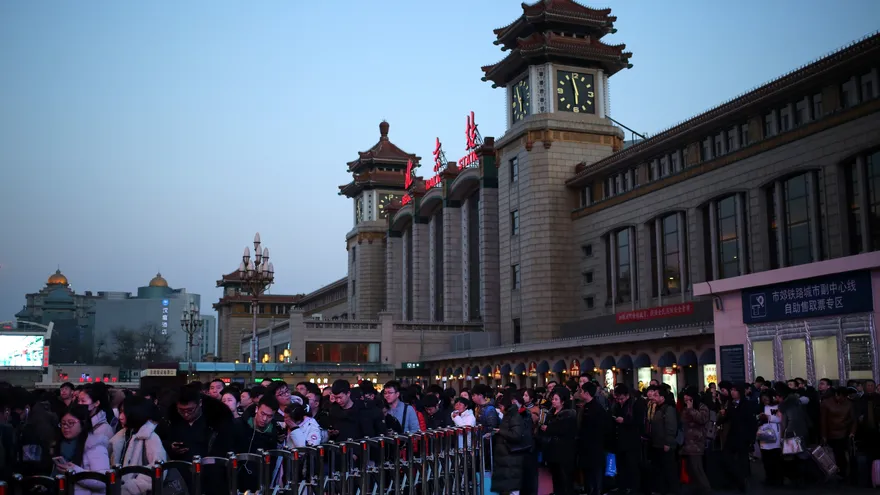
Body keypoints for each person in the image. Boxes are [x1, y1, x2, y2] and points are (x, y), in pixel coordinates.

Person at [109, 396, 166, 495]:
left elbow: (158, 469)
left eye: (124, 413)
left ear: (136, 413)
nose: (120, 417)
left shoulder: (150, 437)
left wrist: (130, 487)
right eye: (120, 412)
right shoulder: (122, 435)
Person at [54, 404, 111, 495]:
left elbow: (102, 481)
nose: (65, 427)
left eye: (71, 423)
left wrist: (74, 471)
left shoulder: (95, 446)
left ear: (82, 423)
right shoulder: (59, 445)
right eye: (63, 423)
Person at [540, 388, 577, 495]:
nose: (553, 401)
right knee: (555, 476)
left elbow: (565, 430)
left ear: (563, 401)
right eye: (553, 399)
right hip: (551, 448)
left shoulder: (568, 414)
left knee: (564, 477)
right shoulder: (550, 412)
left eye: (556, 399)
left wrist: (549, 428)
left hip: (563, 450)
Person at [492, 394, 531, 495]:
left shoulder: (514, 416)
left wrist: (500, 431)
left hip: (512, 454)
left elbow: (516, 435)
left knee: (513, 487)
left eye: (501, 406)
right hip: (506, 456)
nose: (500, 409)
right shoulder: (508, 415)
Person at [577, 382, 610, 495]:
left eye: (582, 391)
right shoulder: (586, 406)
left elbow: (601, 428)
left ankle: (596, 491)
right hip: (586, 446)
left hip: (594, 446)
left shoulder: (596, 408)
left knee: (595, 472)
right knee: (587, 472)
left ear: (587, 393)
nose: (580, 393)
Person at [681, 386, 711, 494]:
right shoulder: (685, 407)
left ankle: (706, 489)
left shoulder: (702, 407)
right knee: (690, 468)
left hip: (697, 442)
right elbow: (683, 420)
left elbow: (702, 419)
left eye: (687, 395)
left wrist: (691, 409)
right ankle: (696, 488)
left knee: (697, 468)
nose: (685, 397)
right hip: (687, 442)